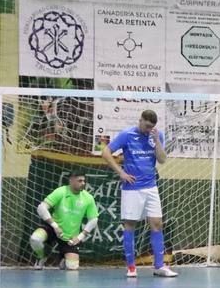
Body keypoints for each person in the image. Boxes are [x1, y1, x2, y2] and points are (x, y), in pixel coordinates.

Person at [101, 109, 177, 278]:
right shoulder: (127, 135)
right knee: (130, 225)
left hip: (151, 187)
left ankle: (159, 266)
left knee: (157, 224)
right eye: (146, 125)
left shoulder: (157, 135)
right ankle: (131, 267)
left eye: (151, 127)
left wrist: (157, 140)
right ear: (140, 120)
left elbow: (162, 160)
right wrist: (121, 172)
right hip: (132, 188)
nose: (147, 129)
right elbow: (105, 152)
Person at [30, 169, 98, 271]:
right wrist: (55, 226)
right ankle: (41, 256)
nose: (83, 183)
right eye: (80, 181)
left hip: (70, 236)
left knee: (72, 267)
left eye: (84, 181)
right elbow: (41, 208)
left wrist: (80, 237)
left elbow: (93, 220)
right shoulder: (61, 191)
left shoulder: (88, 198)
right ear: (71, 180)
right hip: (53, 229)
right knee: (35, 238)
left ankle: (63, 258)